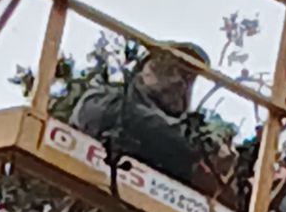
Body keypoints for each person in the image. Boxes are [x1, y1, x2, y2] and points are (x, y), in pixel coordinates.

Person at [73, 41, 234, 198]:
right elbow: (103, 116)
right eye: (170, 68)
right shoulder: (106, 100)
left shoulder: (192, 138)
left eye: (188, 76)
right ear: (145, 69)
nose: (179, 81)